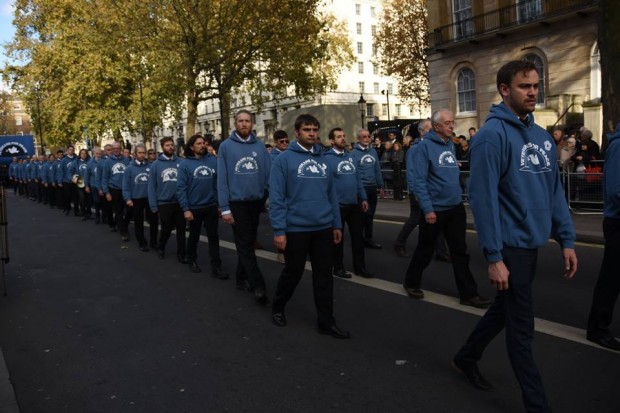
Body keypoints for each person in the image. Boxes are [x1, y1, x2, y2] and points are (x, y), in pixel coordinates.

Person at [452, 61, 577, 413]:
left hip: (532, 243)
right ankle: (537, 405)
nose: (533, 92)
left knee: (504, 311)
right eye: (525, 86)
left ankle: (465, 356)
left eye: (536, 85)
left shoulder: (540, 137)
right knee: (521, 329)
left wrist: (566, 239)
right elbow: (483, 199)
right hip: (509, 246)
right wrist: (493, 257)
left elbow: (554, 192)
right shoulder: (491, 136)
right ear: (505, 90)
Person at [269, 114, 349, 339]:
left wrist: (335, 224)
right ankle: (278, 307)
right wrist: (279, 230)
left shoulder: (323, 159)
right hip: (296, 229)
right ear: (297, 133)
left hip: (323, 227)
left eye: (314, 129)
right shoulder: (283, 160)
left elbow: (331, 194)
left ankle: (326, 322)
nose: (312, 133)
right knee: (292, 273)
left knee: (324, 277)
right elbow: (276, 197)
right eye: (307, 130)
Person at [403, 109, 490, 309]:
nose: (452, 126)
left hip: (455, 207)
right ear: (436, 127)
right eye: (448, 123)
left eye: (452, 122)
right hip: (435, 209)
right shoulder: (423, 148)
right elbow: (419, 181)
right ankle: (411, 282)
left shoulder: (450, 144)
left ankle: (468, 293)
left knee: (460, 251)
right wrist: (427, 209)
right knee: (426, 249)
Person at [217, 110, 271, 305]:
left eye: (247, 121)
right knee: (246, 244)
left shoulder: (260, 146)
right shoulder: (225, 147)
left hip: (255, 202)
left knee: (246, 242)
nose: (244, 124)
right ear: (235, 123)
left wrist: (265, 195)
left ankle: (241, 277)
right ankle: (258, 285)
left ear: (252, 124)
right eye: (240, 121)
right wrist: (224, 207)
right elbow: (222, 179)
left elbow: (267, 173)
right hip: (236, 203)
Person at [394, 119, 450, 261]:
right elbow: (412, 173)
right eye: (430, 129)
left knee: (435, 220)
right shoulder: (416, 149)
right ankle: (399, 244)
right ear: (422, 131)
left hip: (430, 192)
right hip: (419, 192)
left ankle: (441, 251)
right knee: (415, 219)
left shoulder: (431, 146)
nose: (433, 131)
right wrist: (416, 192)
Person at [587, 123, 620, 351]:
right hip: (618, 222)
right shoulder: (618, 146)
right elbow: (616, 190)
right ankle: (597, 328)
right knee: (611, 278)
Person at [177, 135, 229, 278]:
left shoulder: (213, 161)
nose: (202, 146)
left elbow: (218, 184)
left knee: (213, 237)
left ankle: (216, 267)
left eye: (203, 143)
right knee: (194, 236)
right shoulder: (185, 164)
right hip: (194, 208)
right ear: (191, 147)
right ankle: (192, 260)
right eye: (198, 143)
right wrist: (185, 209)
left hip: (211, 206)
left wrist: (220, 204)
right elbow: (181, 188)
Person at [325, 127, 372, 278]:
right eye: (339, 137)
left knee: (358, 238)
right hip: (338, 206)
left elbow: (358, 180)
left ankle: (361, 268)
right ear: (332, 141)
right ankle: (338, 267)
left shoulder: (351, 157)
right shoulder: (327, 159)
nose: (343, 139)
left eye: (344, 136)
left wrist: (363, 197)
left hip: (354, 205)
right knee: (337, 239)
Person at [148, 137, 187, 263]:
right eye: (167, 145)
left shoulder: (181, 162)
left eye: (172, 145)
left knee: (181, 229)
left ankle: (182, 254)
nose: (170, 147)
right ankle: (161, 246)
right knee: (167, 228)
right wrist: (154, 205)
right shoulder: (155, 165)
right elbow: (152, 187)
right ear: (162, 147)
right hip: (164, 203)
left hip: (180, 202)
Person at [351, 129, 384, 249]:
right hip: (362, 188)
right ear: (359, 139)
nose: (366, 138)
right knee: (361, 215)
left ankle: (368, 239)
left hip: (372, 187)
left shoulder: (373, 152)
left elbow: (377, 169)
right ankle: (358, 239)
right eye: (364, 136)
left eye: (368, 136)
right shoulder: (353, 153)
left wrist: (381, 186)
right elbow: (354, 173)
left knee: (370, 215)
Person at [123, 144, 153, 252]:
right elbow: (125, 185)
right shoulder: (129, 169)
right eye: (139, 153)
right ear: (135, 154)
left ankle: (153, 242)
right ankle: (142, 242)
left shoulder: (150, 166)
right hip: (136, 199)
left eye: (143, 153)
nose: (142, 155)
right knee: (139, 222)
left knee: (153, 221)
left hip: (150, 198)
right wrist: (128, 198)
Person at [101, 142, 131, 240]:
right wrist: (107, 192)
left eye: (118, 148)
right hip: (114, 190)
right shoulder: (107, 162)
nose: (116, 150)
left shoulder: (126, 160)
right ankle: (123, 232)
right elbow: (104, 178)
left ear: (120, 149)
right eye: (114, 148)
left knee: (130, 211)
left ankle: (123, 225)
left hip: (126, 190)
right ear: (112, 150)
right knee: (119, 212)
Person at [269, 130, 289, 264]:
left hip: (291, 193)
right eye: (282, 142)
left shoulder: (291, 154)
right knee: (280, 222)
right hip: (278, 193)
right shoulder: (271, 157)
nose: (285, 144)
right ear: (276, 142)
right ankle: (281, 252)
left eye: (287, 141)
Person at [84, 148, 103, 224]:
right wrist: (87, 186)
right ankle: (97, 216)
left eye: (100, 153)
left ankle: (105, 217)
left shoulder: (104, 162)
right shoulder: (90, 163)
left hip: (103, 185)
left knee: (104, 203)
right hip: (94, 185)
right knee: (97, 201)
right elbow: (86, 175)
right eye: (97, 153)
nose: (98, 155)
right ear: (94, 154)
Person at [60, 145, 79, 216]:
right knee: (67, 196)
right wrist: (60, 181)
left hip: (75, 180)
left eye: (72, 149)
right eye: (70, 149)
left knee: (76, 197)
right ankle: (67, 209)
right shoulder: (64, 160)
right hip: (66, 181)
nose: (71, 151)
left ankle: (76, 211)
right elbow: (61, 171)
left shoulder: (76, 159)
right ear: (67, 151)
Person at [76, 149, 92, 220]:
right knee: (82, 199)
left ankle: (89, 213)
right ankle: (83, 214)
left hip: (88, 182)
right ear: (80, 154)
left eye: (85, 153)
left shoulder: (90, 161)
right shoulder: (76, 162)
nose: (84, 154)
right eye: (82, 153)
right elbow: (70, 172)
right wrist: (74, 179)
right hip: (80, 181)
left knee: (89, 199)